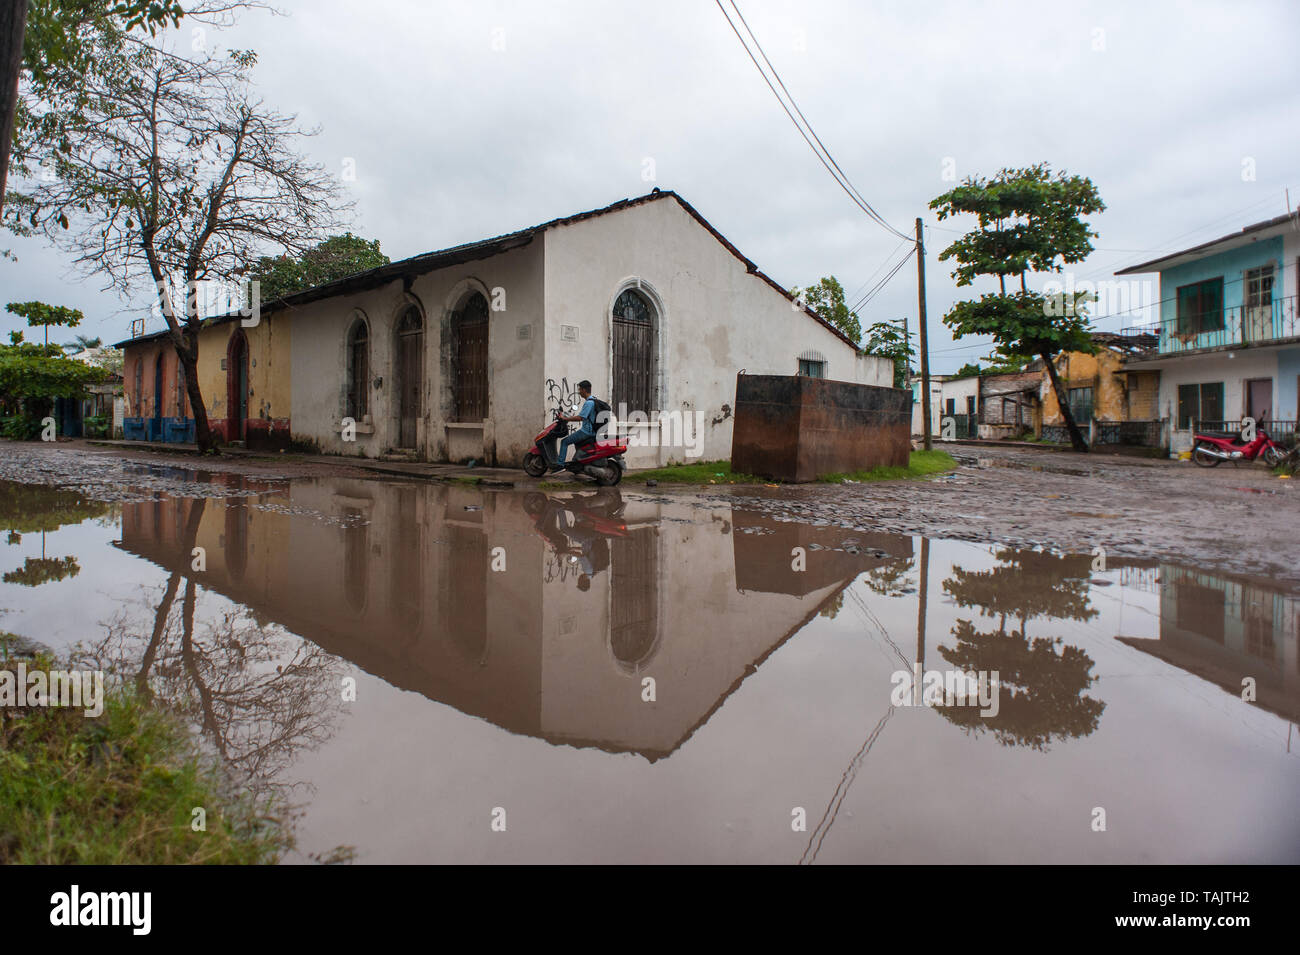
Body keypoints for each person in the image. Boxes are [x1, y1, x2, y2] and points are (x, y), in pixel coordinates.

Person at [553, 380, 600, 471]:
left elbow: (580, 418)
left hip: (586, 432)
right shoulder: (594, 400)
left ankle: (560, 465)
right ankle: (577, 464)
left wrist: (565, 419)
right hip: (591, 431)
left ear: (584, 390)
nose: (578, 392)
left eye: (579, 390)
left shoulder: (589, 403)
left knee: (564, 442)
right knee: (576, 443)